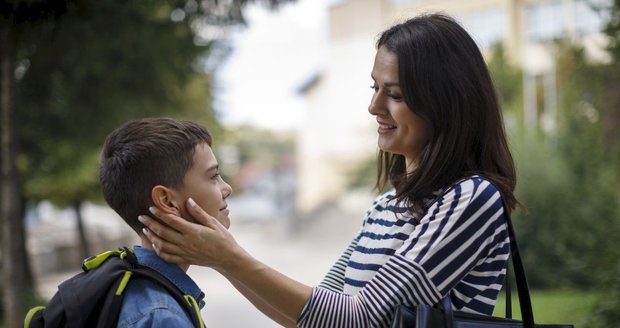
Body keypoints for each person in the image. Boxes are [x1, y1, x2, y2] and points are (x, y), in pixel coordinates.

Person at [139, 13, 518, 327]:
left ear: (446, 103)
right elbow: (315, 316)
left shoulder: (471, 198)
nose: (374, 107)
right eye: (375, 88)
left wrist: (227, 257)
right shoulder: (386, 207)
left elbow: (363, 318)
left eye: (395, 94)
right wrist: (220, 259)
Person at [99, 117, 233, 326]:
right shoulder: (161, 316)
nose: (227, 188)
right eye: (213, 176)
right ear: (166, 200)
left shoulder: (127, 284)